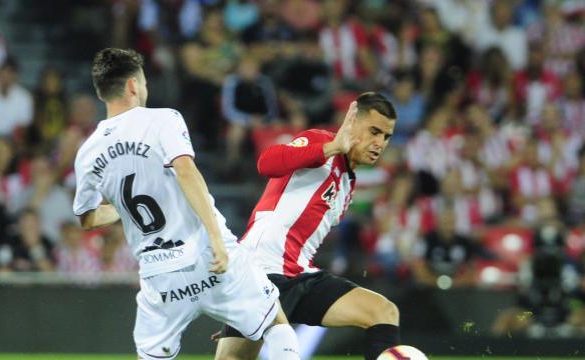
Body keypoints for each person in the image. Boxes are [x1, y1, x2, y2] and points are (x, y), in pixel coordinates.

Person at [72, 48, 299, 360]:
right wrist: (217, 239)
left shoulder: (88, 151)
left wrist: (120, 210)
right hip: (207, 255)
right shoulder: (163, 119)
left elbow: (87, 218)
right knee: (275, 323)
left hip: (160, 276)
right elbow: (186, 171)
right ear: (133, 85)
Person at [215, 92, 401, 360]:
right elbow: (266, 162)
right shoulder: (320, 142)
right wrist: (333, 147)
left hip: (299, 275)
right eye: (374, 131)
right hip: (261, 271)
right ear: (352, 122)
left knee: (383, 312)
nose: (379, 142)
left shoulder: (348, 183)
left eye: (386, 136)